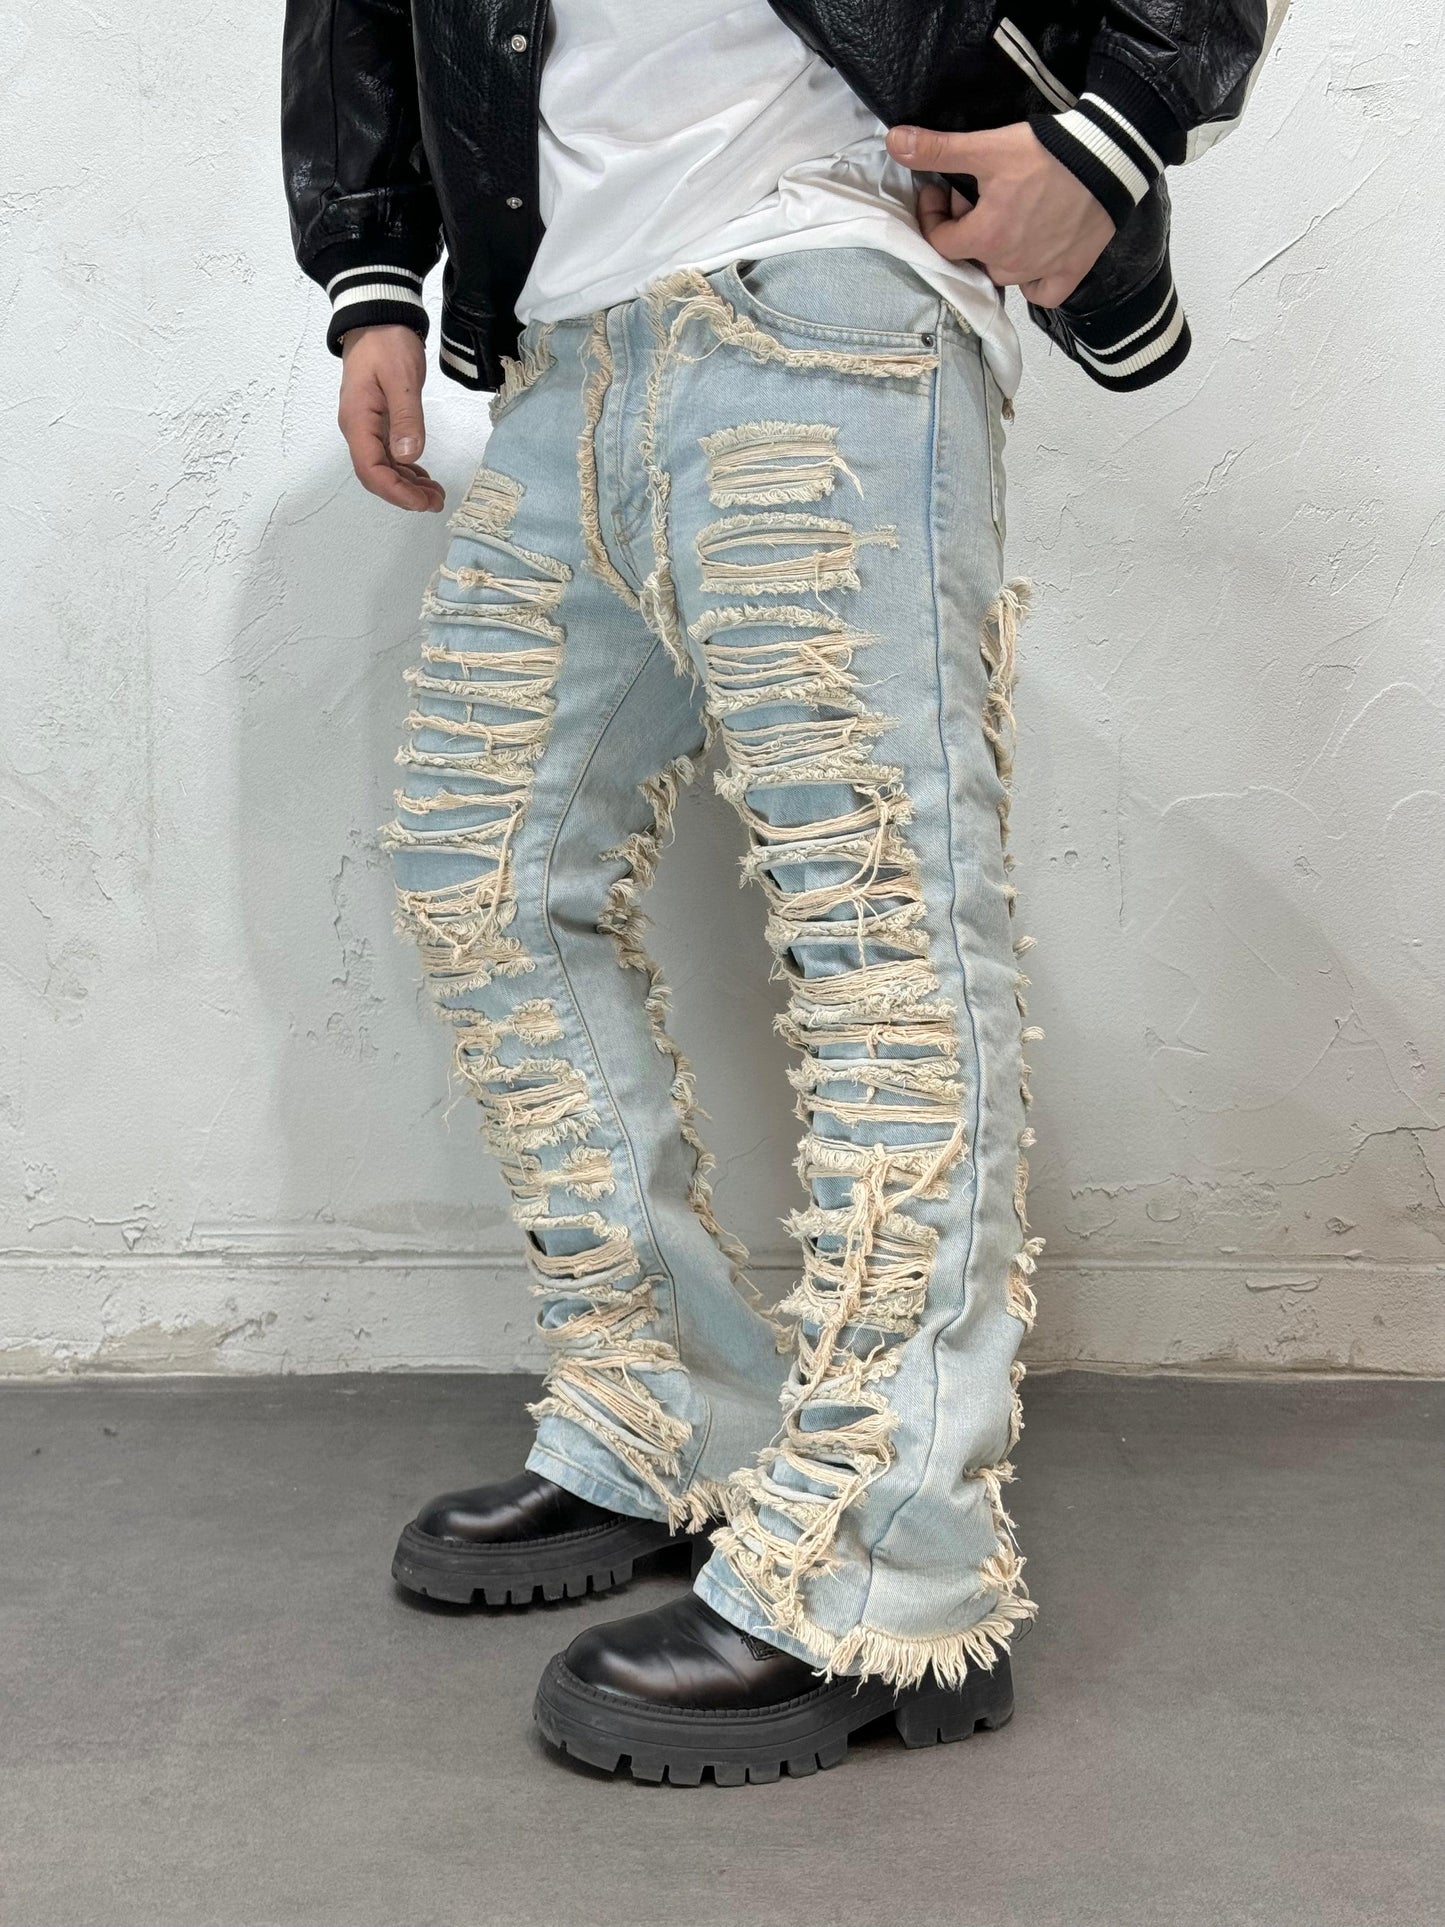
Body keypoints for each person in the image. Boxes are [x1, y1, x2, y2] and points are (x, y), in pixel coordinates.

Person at [281, 0, 1287, 1786]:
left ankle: (897, 1561)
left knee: (880, 926)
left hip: (817, 292)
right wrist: (373, 272)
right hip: (564, 340)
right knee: (481, 869)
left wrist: (1111, 131)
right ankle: (666, 1408)